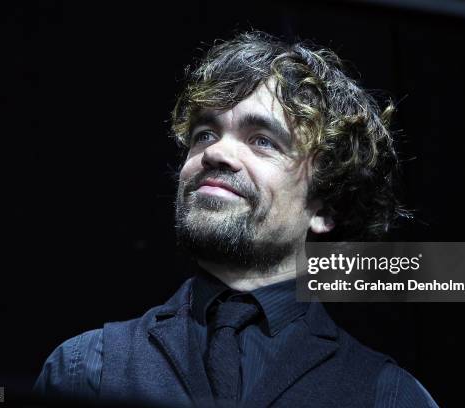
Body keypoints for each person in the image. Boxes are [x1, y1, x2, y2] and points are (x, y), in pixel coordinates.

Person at [34, 31, 438, 407]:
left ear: (326, 208)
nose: (216, 153)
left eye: (262, 141)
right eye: (205, 133)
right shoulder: (85, 368)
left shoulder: (389, 396)